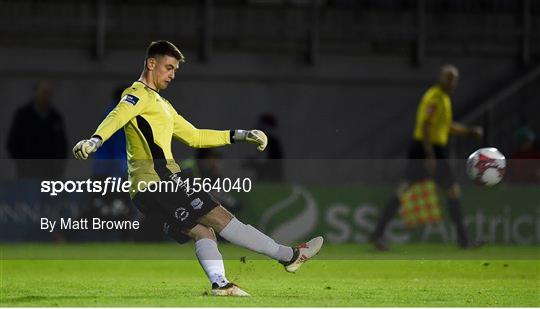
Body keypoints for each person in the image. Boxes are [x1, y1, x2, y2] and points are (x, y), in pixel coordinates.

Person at [72, 41, 323, 296]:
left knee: (204, 231)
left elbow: (195, 136)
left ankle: (221, 284)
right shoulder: (138, 94)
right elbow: (118, 115)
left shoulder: (162, 105)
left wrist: (241, 135)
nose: (172, 75)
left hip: (145, 192)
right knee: (222, 218)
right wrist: (95, 140)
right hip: (161, 181)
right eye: (168, 68)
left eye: (175, 70)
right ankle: (290, 256)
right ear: (151, 63)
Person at [369, 65, 483, 250]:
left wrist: (469, 132)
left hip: (427, 149)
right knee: (452, 191)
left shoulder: (443, 99)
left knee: (404, 190)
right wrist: (430, 155)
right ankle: (464, 240)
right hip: (429, 149)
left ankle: (377, 234)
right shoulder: (435, 97)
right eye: (449, 78)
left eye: (454, 79)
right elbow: (425, 126)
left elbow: (446, 126)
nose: (452, 82)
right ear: (440, 78)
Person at [7, 81, 68, 179]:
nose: (45, 97)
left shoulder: (55, 117)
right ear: (35, 94)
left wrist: (59, 166)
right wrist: (22, 162)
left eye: (48, 94)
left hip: (50, 171)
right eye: (43, 93)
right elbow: (12, 142)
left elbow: (62, 144)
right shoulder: (23, 115)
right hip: (27, 170)